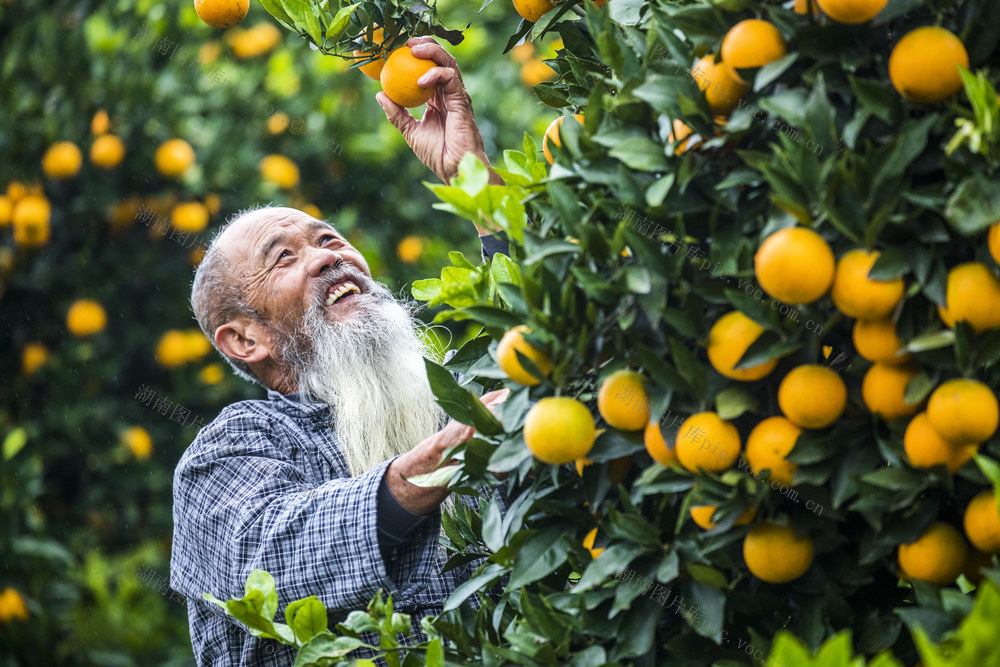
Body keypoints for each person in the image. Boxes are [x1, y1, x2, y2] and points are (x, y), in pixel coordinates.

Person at [170, 36, 511, 665]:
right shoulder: (230, 451)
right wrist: (434, 464)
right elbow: (269, 560)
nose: (330, 254)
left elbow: (551, 348)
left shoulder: (445, 402)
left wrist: (475, 180)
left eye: (328, 238)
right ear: (246, 339)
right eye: (285, 257)